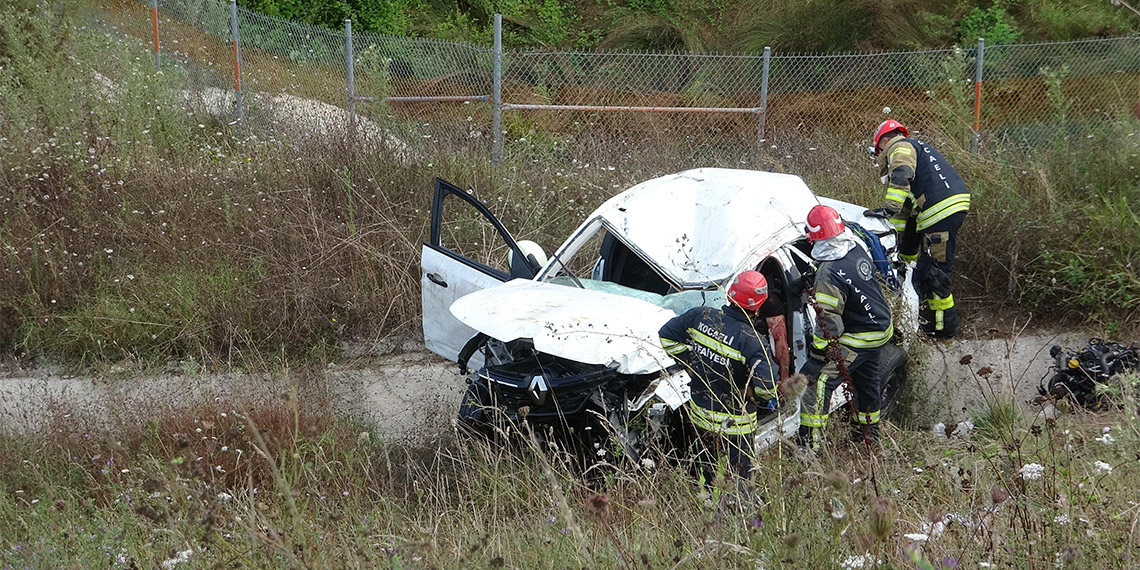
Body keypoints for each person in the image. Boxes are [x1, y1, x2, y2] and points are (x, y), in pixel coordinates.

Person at [658, 270, 778, 482]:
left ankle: (704, 505)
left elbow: (666, 336)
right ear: (758, 305)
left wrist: (690, 363)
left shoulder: (700, 316)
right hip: (737, 425)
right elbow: (766, 388)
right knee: (739, 479)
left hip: (700, 416)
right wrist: (757, 399)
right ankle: (736, 510)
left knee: (704, 473)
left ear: (729, 294)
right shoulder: (753, 341)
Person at [798, 205, 894, 449]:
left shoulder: (828, 274)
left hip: (860, 336)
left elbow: (830, 324)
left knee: (817, 381)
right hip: (881, 327)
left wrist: (819, 355)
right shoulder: (855, 247)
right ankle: (868, 438)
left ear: (813, 237)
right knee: (866, 382)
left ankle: (810, 446)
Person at [863, 119, 970, 337]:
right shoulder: (915, 146)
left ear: (884, 140)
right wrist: (901, 246)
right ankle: (930, 315)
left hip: (939, 211)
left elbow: (901, 176)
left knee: (936, 271)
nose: (878, 156)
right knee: (927, 266)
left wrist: (888, 209)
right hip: (947, 206)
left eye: (878, 151)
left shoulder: (898, 147)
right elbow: (908, 208)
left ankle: (943, 326)